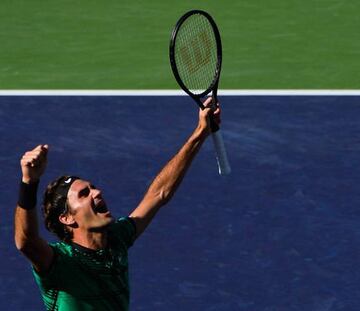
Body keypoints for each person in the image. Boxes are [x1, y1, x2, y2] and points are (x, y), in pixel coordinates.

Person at [14, 98, 220, 310]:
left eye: (93, 187)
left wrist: (201, 131)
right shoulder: (58, 261)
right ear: (67, 218)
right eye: (84, 194)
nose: (97, 192)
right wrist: (29, 182)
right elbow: (26, 242)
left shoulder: (116, 238)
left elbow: (159, 193)